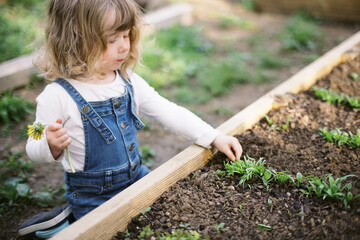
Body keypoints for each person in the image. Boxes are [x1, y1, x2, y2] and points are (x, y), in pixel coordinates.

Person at [26, 0, 242, 222]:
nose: (124, 47)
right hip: (94, 200)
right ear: (76, 40)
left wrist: (213, 136)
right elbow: (33, 147)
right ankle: (66, 222)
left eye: (127, 35)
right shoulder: (56, 96)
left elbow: (167, 111)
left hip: (138, 179)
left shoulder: (128, 81)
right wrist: (49, 145)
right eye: (112, 39)